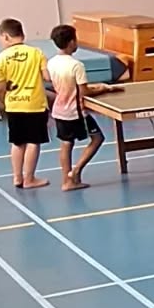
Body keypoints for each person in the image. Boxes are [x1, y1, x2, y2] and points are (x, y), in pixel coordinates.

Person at [48, 25, 118, 191]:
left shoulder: (51, 62)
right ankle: (76, 171)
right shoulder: (76, 65)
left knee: (66, 143)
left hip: (59, 111)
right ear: (72, 42)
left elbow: (69, 86)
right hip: (75, 112)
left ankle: (67, 180)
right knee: (97, 138)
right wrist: (102, 89)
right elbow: (84, 92)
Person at [0, 18, 50, 189]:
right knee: (33, 141)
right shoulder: (36, 53)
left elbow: (0, 87)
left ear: (5, 36)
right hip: (35, 104)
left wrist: (1, 102)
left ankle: (17, 177)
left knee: (17, 142)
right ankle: (30, 178)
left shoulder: (0, 58)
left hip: (14, 105)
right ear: (22, 34)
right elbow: (47, 77)